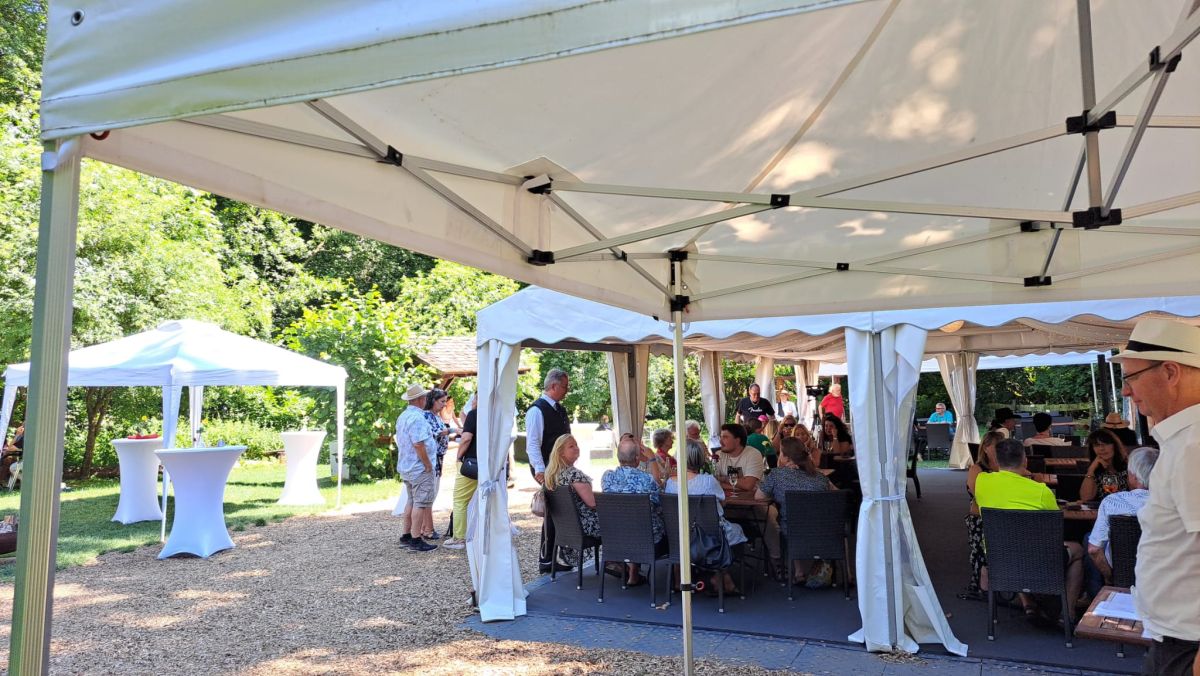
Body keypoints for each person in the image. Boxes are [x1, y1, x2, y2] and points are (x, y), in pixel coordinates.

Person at [1111, 318, 1200, 676]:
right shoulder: (1186, 440)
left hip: (1188, 646)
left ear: (1170, 372)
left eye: (1130, 378)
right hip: (1179, 639)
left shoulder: (1194, 444)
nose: (1126, 392)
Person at [975, 438, 1085, 622]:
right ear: (1025, 460)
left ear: (996, 460)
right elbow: (1056, 524)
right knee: (1078, 550)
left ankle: (1028, 604)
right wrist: (1032, 478)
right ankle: (1068, 613)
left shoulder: (982, 482)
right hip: (1038, 560)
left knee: (1013, 540)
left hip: (999, 557)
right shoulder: (1041, 491)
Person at [665, 439, 747, 594]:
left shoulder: (670, 482)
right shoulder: (709, 481)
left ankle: (679, 577)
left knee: (694, 528)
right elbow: (721, 503)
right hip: (707, 536)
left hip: (680, 535)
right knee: (734, 529)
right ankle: (721, 575)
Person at [756, 436, 833, 585]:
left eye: (780, 453)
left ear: (786, 457)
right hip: (822, 529)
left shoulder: (776, 475)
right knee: (800, 516)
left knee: (791, 518)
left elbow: (758, 497)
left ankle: (798, 572)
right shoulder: (820, 477)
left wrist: (776, 495)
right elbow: (837, 495)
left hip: (793, 530)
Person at [1086, 446, 1159, 593]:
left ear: (1133, 475)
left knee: (1090, 538)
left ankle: (1093, 595)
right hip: (1165, 580)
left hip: (1122, 580)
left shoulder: (1112, 502)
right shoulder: (1177, 504)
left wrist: (1110, 578)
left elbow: (1094, 550)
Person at [601, 436, 665, 586]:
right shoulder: (647, 480)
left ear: (618, 457)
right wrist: (652, 460)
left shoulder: (607, 478)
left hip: (616, 539)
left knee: (630, 520)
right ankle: (678, 579)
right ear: (637, 458)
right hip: (647, 541)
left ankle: (633, 571)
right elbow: (660, 504)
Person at [526, 368, 572, 572]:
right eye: (564, 386)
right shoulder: (536, 410)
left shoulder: (559, 409)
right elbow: (532, 444)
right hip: (547, 469)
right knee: (552, 513)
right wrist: (540, 470)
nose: (567, 390)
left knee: (559, 513)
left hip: (560, 468)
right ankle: (546, 559)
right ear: (554, 386)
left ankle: (554, 556)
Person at [960, 430, 1006, 600]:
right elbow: (977, 494)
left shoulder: (1008, 467)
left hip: (1003, 514)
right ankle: (982, 584)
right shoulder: (977, 469)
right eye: (996, 447)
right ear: (985, 448)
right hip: (981, 516)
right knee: (982, 538)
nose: (1000, 450)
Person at [544, 434, 599, 567]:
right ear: (561, 452)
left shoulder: (552, 476)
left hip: (566, 527)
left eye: (576, 445)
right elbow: (593, 503)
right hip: (585, 525)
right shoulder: (574, 474)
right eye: (571, 446)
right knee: (620, 521)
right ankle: (620, 563)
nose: (576, 448)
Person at [396, 385, 437, 552]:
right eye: (425, 397)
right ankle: (415, 539)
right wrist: (427, 464)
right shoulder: (417, 418)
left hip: (407, 465)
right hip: (419, 467)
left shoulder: (403, 416)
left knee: (411, 500)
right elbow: (418, 444)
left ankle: (406, 535)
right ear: (420, 399)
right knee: (420, 503)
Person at [442, 403, 479, 550]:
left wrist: (458, 456)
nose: (472, 402)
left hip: (472, 463)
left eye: (474, 398)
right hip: (492, 465)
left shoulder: (474, 414)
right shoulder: (497, 414)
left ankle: (459, 538)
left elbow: (466, 438)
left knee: (460, 500)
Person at [421, 388, 451, 539]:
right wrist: (451, 431)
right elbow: (433, 434)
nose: (444, 404)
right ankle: (428, 528)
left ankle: (424, 527)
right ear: (433, 401)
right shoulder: (426, 416)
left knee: (432, 493)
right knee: (429, 494)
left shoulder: (436, 416)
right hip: (432, 458)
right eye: (442, 401)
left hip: (438, 458)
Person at [1079, 428, 1129, 502]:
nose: (1101, 448)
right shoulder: (1094, 470)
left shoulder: (1128, 467)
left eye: (1106, 444)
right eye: (1097, 445)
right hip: (1101, 508)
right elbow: (1085, 498)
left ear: (1115, 446)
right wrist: (1091, 470)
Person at [715, 423, 765, 494]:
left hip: (751, 499)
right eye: (721, 437)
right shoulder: (719, 455)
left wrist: (724, 479)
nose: (720, 441)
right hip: (726, 498)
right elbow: (713, 482)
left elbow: (748, 485)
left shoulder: (753, 454)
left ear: (737, 440)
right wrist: (739, 485)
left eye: (725, 437)